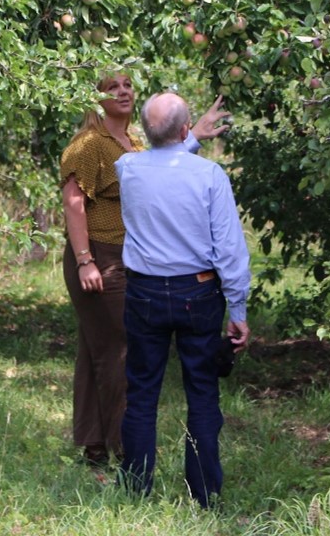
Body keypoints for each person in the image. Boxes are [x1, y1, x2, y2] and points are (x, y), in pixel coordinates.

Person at [59, 74, 230, 469]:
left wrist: (195, 136)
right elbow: (73, 204)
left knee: (96, 351)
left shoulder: (133, 142)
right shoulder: (88, 145)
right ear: (96, 96)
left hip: (125, 257)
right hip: (99, 256)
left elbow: (160, 169)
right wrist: (86, 260)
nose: (121, 92)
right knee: (119, 353)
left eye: (127, 85)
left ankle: (94, 448)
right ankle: (126, 455)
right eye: (111, 86)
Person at [114, 91, 250, 509]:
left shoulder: (127, 169)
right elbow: (229, 248)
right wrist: (238, 308)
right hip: (198, 292)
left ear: (144, 131)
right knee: (203, 392)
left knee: (141, 394)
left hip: (145, 292)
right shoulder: (209, 175)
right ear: (187, 129)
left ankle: (136, 491)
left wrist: (185, 139)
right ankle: (203, 494)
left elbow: (160, 158)